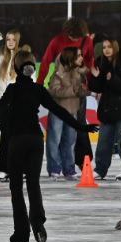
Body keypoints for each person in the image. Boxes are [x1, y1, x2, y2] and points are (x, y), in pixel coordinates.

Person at [0, 49, 97, 242]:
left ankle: (21, 232)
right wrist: (81, 126)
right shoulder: (38, 89)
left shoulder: (12, 89)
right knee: (33, 184)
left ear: (16, 68)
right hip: (35, 140)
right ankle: (37, 222)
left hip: (17, 141)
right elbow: (59, 110)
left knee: (16, 188)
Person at [40, 17, 95, 165]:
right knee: (56, 130)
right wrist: (39, 85)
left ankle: (82, 161)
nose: (74, 39)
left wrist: (91, 85)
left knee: (79, 126)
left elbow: (90, 62)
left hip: (78, 89)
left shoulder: (87, 41)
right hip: (61, 88)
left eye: (77, 37)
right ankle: (56, 165)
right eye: (72, 36)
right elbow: (45, 62)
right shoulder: (57, 41)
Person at [89, 38, 121, 180]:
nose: (106, 50)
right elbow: (97, 88)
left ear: (115, 48)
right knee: (103, 141)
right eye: (104, 47)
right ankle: (100, 169)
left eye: (109, 47)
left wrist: (111, 78)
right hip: (107, 109)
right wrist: (96, 77)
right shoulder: (101, 63)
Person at [45, 47, 88, 180]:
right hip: (58, 112)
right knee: (54, 140)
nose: (81, 58)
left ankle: (69, 169)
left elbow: (80, 91)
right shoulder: (59, 73)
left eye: (81, 55)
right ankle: (54, 168)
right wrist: (73, 90)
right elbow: (54, 91)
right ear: (71, 58)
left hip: (72, 111)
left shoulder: (79, 73)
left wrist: (85, 91)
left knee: (70, 141)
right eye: (78, 55)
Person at [0, 30, 22, 181]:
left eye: (13, 40)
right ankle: (3, 168)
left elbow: (30, 78)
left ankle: (20, 168)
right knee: (5, 138)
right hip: (5, 105)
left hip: (19, 105)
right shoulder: (0, 57)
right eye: (8, 39)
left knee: (19, 139)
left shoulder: (22, 57)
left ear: (17, 41)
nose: (10, 42)